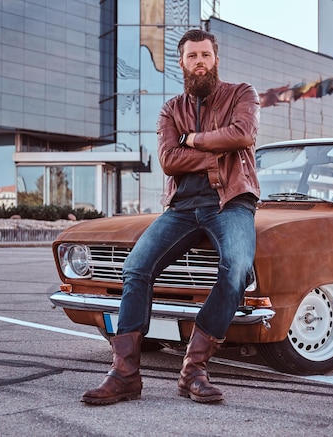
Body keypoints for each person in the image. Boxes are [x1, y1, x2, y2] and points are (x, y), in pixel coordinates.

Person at [81, 29, 260, 405]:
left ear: (216, 59)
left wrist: (192, 140)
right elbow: (167, 160)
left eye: (205, 55)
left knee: (237, 269)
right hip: (181, 207)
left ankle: (193, 370)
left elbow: (243, 133)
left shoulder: (242, 94)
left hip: (230, 202)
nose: (199, 62)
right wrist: (217, 150)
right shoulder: (170, 109)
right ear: (181, 63)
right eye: (192, 56)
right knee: (136, 267)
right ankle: (125, 373)